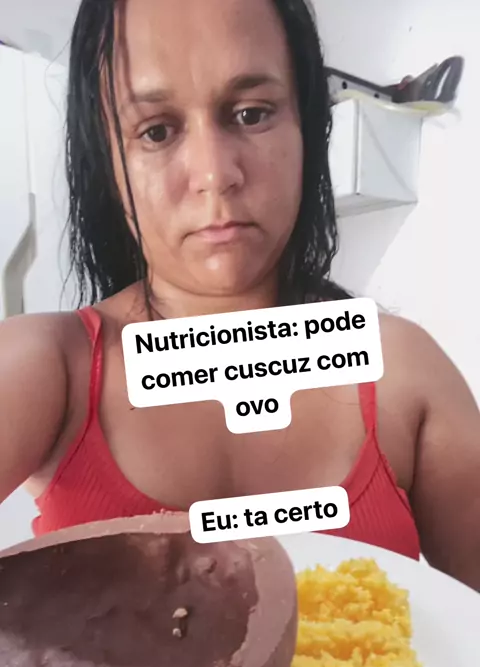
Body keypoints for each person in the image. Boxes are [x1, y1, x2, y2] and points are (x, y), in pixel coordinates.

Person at [0, 0, 479, 590]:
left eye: (252, 114)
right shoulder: (46, 366)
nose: (214, 173)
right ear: (109, 163)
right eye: (156, 130)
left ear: (307, 126)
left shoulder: (408, 376)